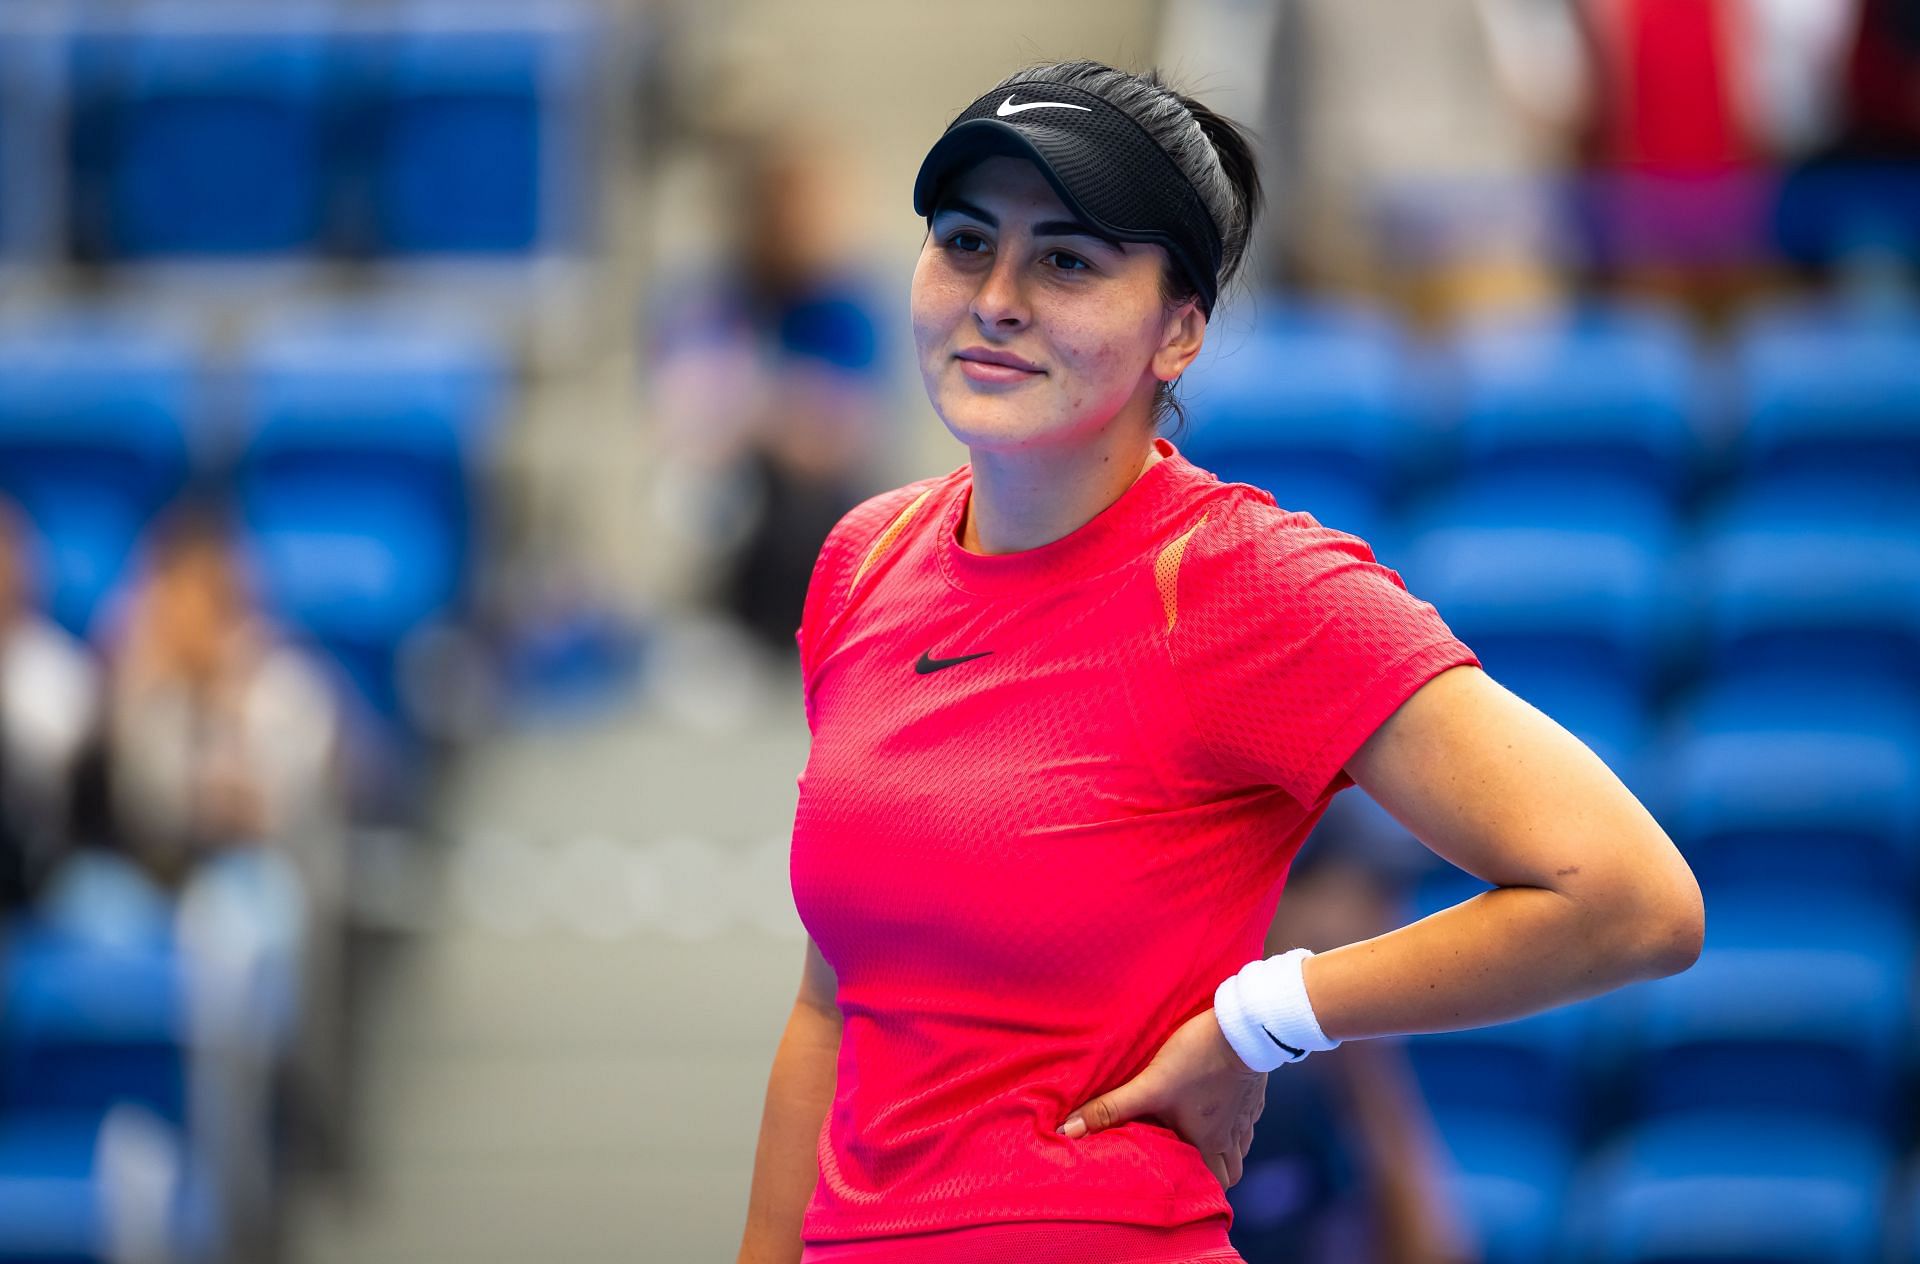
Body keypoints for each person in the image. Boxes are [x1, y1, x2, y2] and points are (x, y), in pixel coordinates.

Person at [736, 58, 1704, 1264]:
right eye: (964, 241)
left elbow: (1628, 896)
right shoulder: (865, 560)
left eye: (1068, 261)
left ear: (1179, 330)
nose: (995, 297)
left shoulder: (1243, 582)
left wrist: (1263, 1015)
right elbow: (834, 1006)